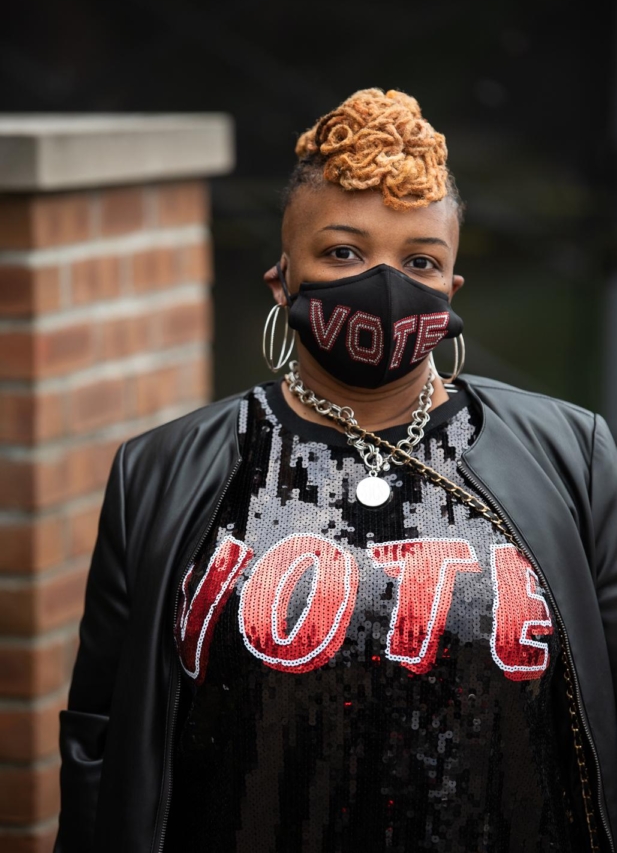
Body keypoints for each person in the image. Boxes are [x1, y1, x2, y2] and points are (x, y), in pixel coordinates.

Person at [54, 88, 617, 853]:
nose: (383, 283)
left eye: (419, 260)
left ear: (451, 293)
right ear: (282, 280)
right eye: (343, 253)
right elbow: (103, 742)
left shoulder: (573, 455)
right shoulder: (159, 473)